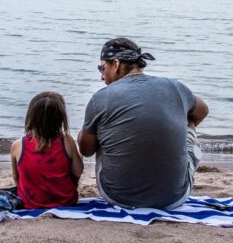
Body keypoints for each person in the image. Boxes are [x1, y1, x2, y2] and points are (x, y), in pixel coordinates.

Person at [78, 37, 209, 209]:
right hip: (174, 198)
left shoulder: (101, 97)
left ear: (116, 64)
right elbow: (202, 111)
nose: (102, 76)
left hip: (118, 197)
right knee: (189, 120)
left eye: (102, 68)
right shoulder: (175, 87)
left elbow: (86, 150)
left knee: (102, 132)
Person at [10, 91, 83, 209]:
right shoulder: (67, 141)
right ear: (60, 118)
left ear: (31, 117)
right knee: (76, 155)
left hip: (30, 204)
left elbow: (16, 177)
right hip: (65, 202)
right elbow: (78, 171)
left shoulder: (18, 145)